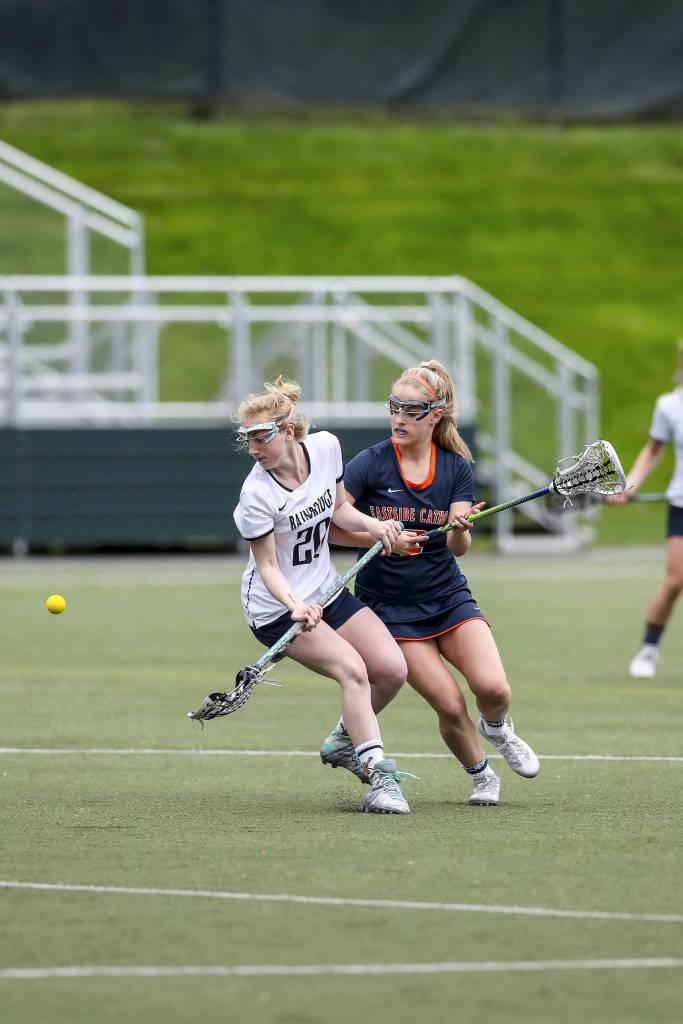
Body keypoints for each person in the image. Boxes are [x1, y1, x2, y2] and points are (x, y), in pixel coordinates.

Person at [321, 359, 540, 806]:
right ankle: (482, 776)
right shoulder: (370, 464)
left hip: (448, 598)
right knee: (449, 702)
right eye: (393, 407)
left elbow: (459, 548)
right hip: (391, 610)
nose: (398, 417)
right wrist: (380, 537)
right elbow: (332, 529)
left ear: (435, 415)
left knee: (494, 689)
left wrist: (461, 525)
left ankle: (497, 727)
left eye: (411, 410)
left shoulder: (456, 467)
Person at [232, 375, 415, 814]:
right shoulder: (256, 494)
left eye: (260, 437)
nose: (253, 449)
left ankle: (342, 741)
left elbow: (338, 509)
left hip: (327, 591)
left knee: (390, 670)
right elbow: (268, 567)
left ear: (289, 431)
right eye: (247, 440)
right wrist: (296, 606)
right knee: (352, 670)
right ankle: (379, 777)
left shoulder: (326, 447)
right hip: (277, 608)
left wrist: (377, 528)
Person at [607, 339, 683, 678]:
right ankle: (648, 648)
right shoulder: (669, 405)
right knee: (676, 579)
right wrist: (630, 482)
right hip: (682, 503)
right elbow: (653, 450)